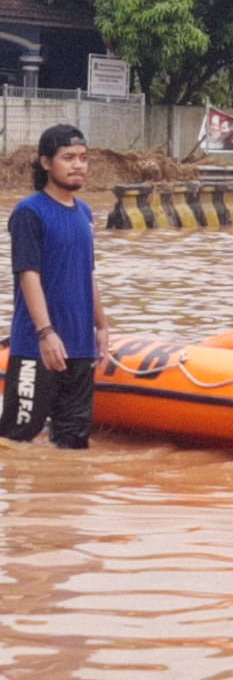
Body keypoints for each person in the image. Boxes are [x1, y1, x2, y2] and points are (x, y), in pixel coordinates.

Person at [0, 124, 110, 448]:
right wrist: (45, 333)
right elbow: (28, 275)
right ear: (46, 163)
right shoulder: (29, 212)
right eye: (68, 158)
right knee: (15, 440)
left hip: (79, 346)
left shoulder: (84, 213)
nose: (78, 165)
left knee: (73, 445)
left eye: (83, 158)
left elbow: (87, 274)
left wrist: (102, 326)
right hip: (38, 348)